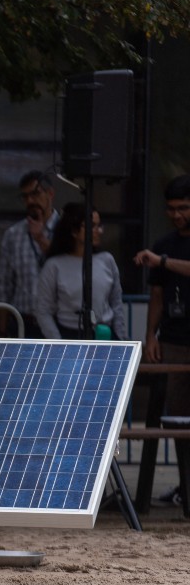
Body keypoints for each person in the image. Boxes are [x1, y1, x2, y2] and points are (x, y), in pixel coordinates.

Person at [134, 176, 190, 509]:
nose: (177, 215)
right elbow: (156, 295)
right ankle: (186, 488)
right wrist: (150, 334)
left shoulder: (162, 255)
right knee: (179, 421)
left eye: (183, 208)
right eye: (171, 209)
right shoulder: (164, 242)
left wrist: (163, 261)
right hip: (174, 340)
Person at [34, 202, 126, 340]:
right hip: (70, 335)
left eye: (99, 225)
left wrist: (121, 338)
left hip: (105, 334)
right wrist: (58, 343)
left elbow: (116, 303)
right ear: (74, 231)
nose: (98, 231)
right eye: (92, 226)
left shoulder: (107, 260)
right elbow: (43, 310)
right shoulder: (54, 266)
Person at [0, 170, 59, 338]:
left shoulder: (67, 230)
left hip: (58, 322)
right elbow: (4, 287)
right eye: (25, 197)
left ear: (50, 194)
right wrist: (2, 333)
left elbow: (68, 267)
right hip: (23, 322)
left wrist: (40, 239)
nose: (30, 201)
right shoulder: (13, 235)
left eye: (36, 194)